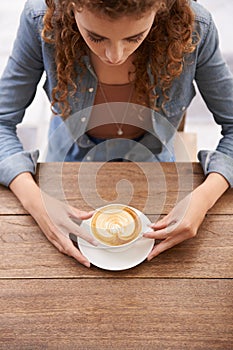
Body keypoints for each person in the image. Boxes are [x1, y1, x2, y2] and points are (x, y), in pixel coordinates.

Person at [0, 0, 233, 268]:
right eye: (95, 37)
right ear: (70, 6)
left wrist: (204, 197)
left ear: (161, 9)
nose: (115, 55)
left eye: (134, 37)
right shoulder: (40, 19)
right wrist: (35, 199)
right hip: (68, 158)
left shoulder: (195, 26)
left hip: (156, 164)